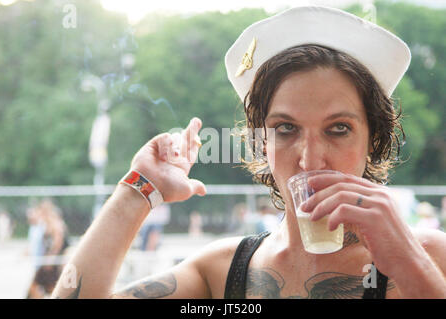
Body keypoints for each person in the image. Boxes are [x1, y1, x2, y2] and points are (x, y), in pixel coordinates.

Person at [52, 6, 446, 299]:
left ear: (373, 140)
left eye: (338, 129)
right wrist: (137, 191)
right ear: (261, 144)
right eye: (285, 129)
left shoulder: (432, 255)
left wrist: (409, 265)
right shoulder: (222, 273)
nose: (310, 159)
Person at [27, 199, 69, 298]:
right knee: (43, 287)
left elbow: (58, 244)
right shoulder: (45, 225)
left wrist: (51, 258)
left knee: (49, 287)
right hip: (47, 261)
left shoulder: (56, 224)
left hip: (53, 261)